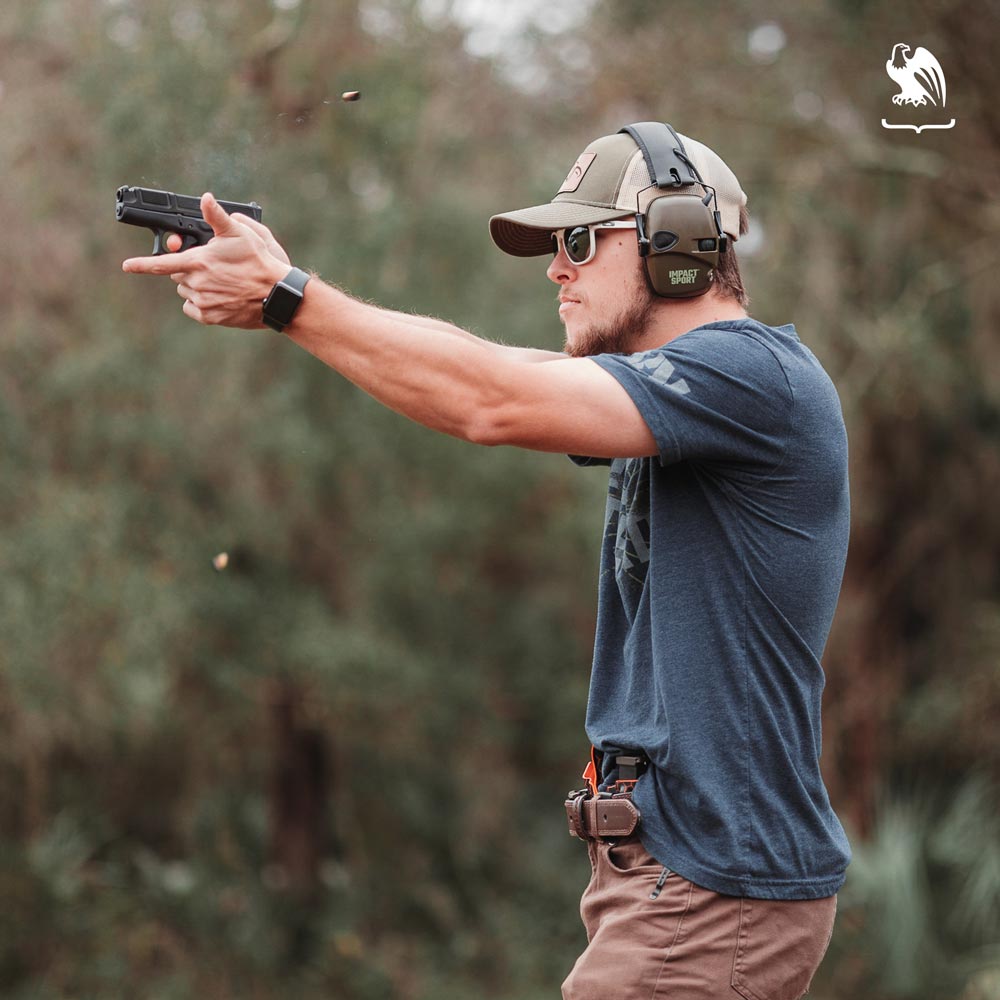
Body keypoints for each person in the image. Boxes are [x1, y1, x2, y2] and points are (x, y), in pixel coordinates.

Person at [123, 121, 851, 999]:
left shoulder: (752, 376)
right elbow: (500, 369)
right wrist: (286, 288)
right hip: (674, 881)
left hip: (706, 892)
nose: (557, 268)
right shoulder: (690, 395)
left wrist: (289, 298)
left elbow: (490, 401)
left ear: (681, 245)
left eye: (579, 240)